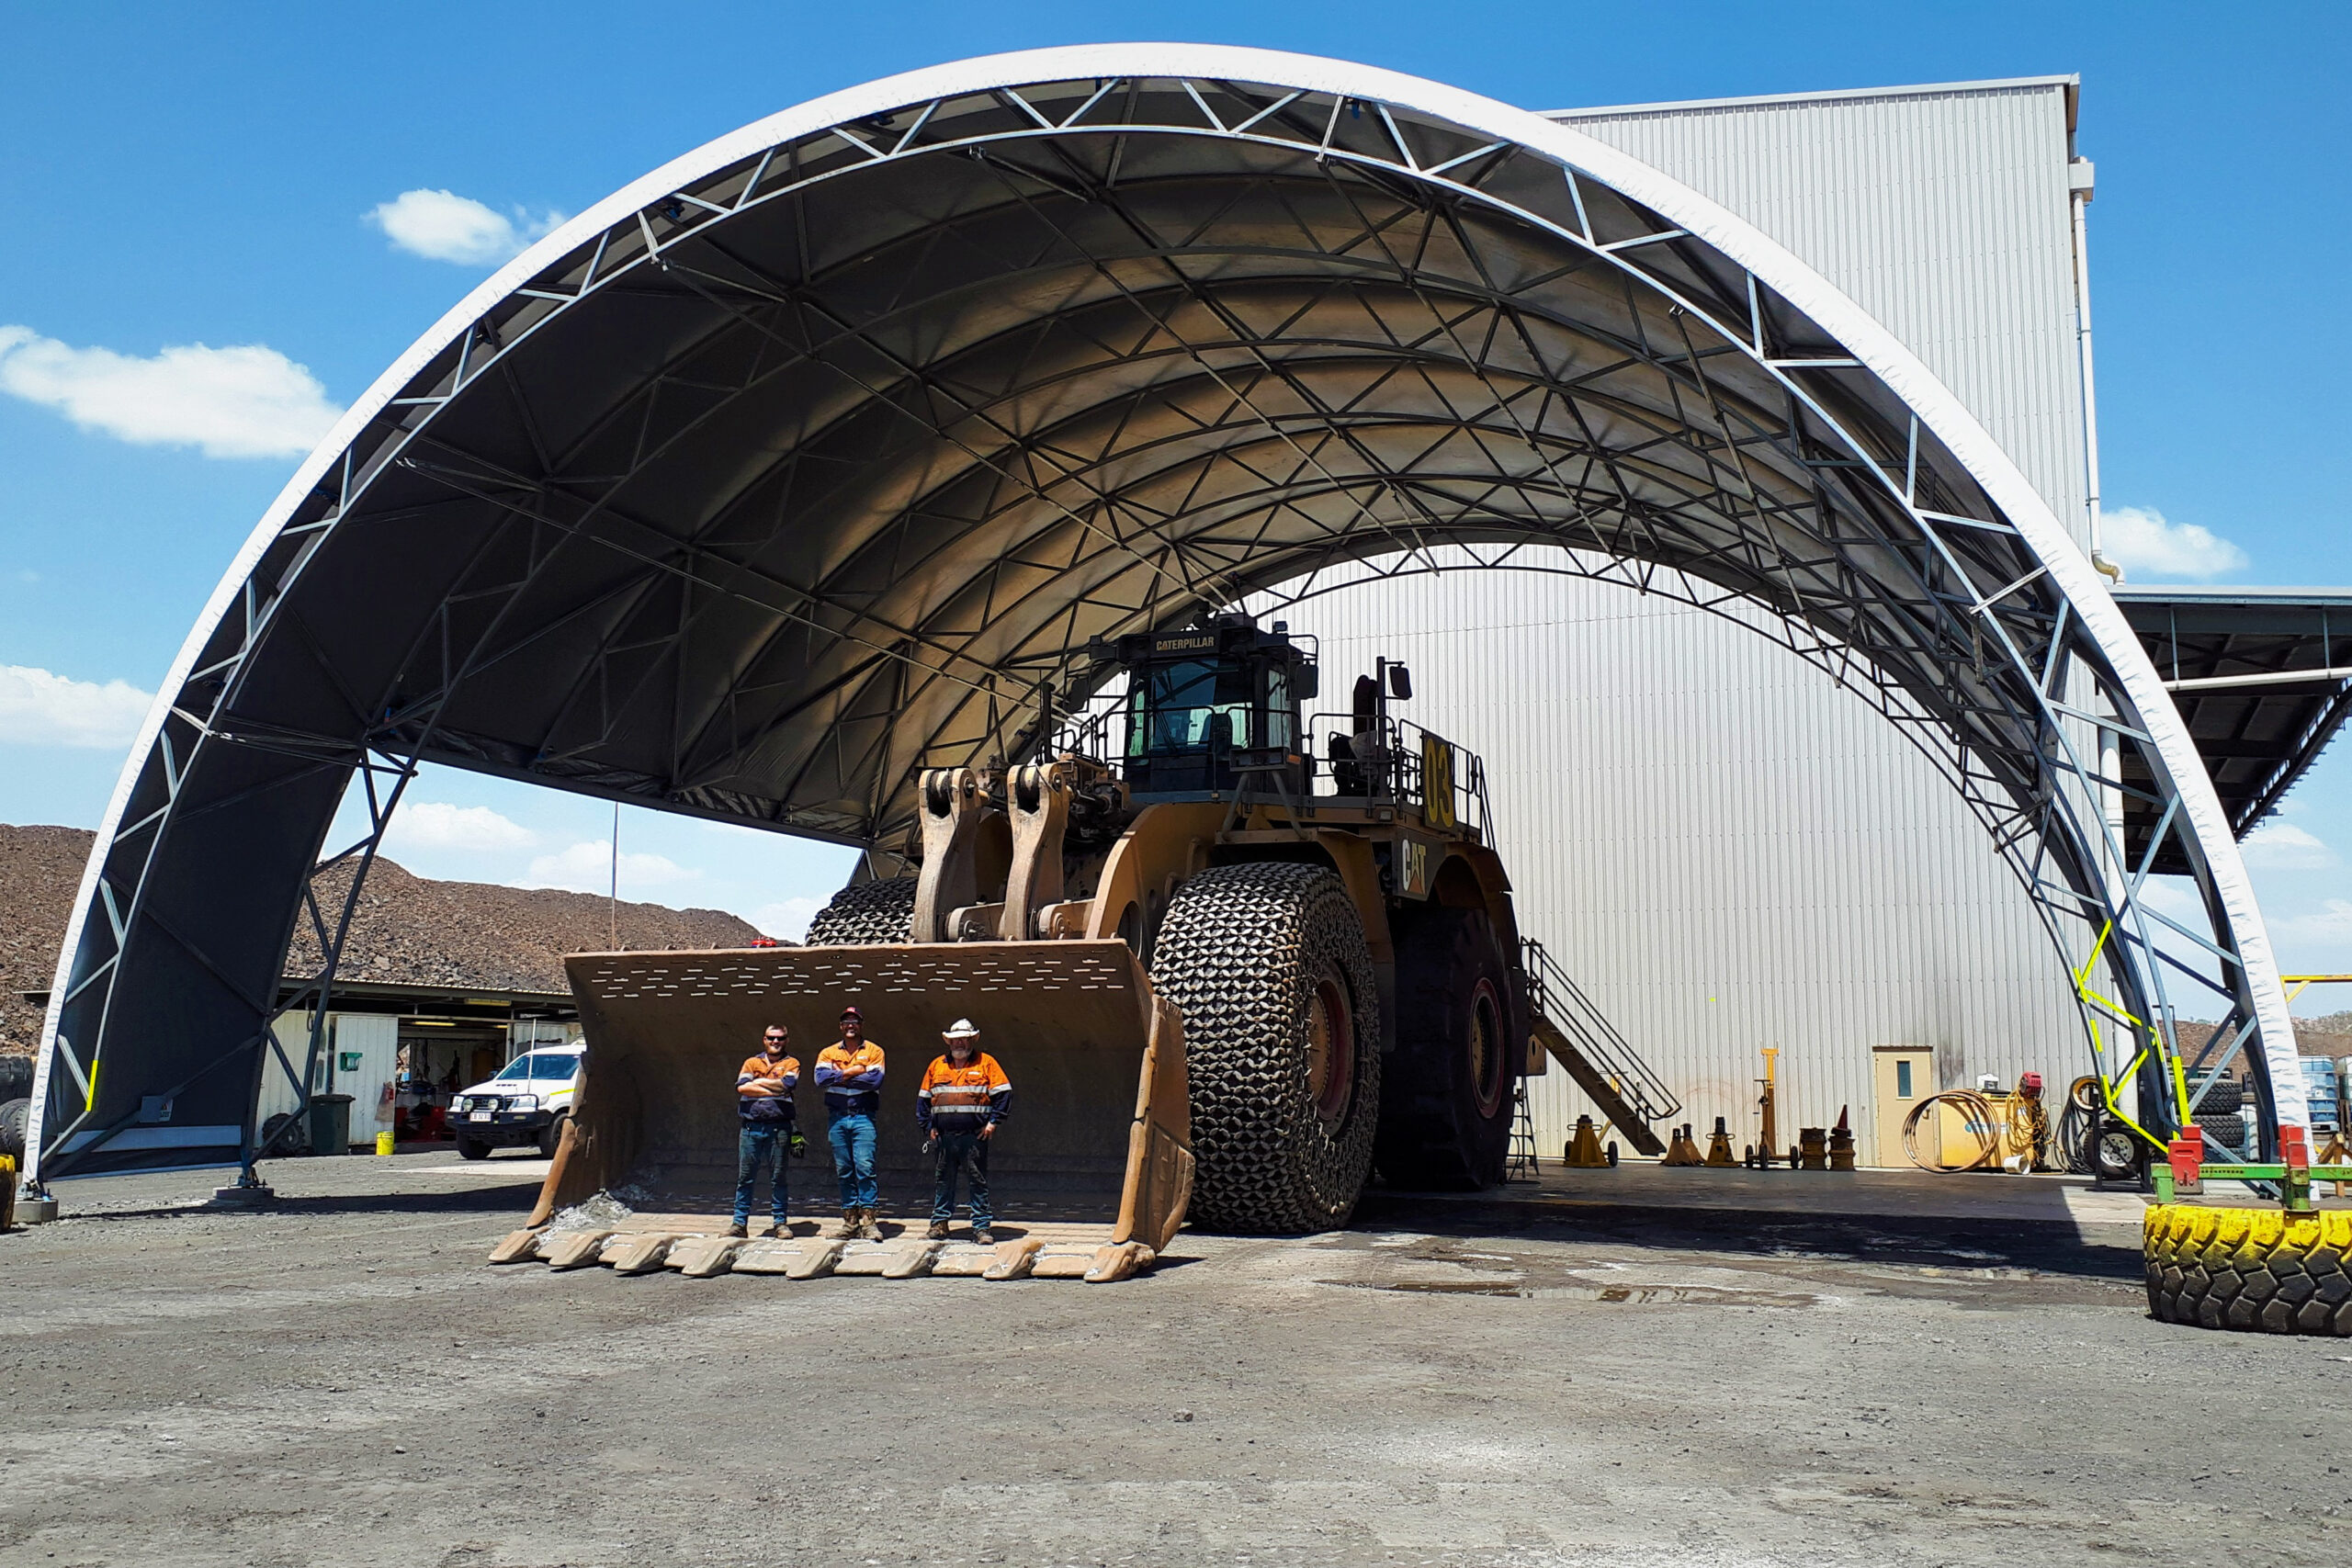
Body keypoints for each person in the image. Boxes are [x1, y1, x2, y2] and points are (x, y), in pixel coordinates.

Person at [917, 1018, 1012, 1244]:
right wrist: (927, 1127)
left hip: (974, 1136)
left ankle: (981, 1229)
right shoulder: (937, 1065)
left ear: (972, 1041)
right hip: (944, 1137)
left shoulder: (986, 1063)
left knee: (977, 1181)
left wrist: (992, 1124)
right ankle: (939, 1224)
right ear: (949, 1043)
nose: (959, 1044)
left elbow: (1004, 1093)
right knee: (943, 1180)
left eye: (964, 1040)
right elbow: (923, 1099)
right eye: (955, 1040)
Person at [815, 1006, 886, 1239]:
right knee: (844, 1169)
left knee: (865, 1166)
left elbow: (873, 1081)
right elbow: (820, 1078)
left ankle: (869, 1222)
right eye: (846, 1022)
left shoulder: (875, 1051)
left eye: (855, 1021)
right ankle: (850, 1222)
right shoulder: (827, 1052)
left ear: (861, 1025)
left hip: (863, 1116)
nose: (850, 1026)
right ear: (840, 1026)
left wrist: (840, 1075)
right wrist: (854, 1071)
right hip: (837, 1117)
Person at [729, 1023, 800, 1238]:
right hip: (751, 1128)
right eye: (771, 1038)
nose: (775, 1042)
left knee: (778, 1176)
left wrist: (758, 1083)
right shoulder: (752, 1062)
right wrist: (772, 1088)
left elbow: (787, 1085)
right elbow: (742, 1087)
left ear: (786, 1040)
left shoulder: (792, 1063)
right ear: (764, 1040)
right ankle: (739, 1224)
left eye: (780, 1038)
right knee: (745, 1177)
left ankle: (780, 1223)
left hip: (779, 1128)